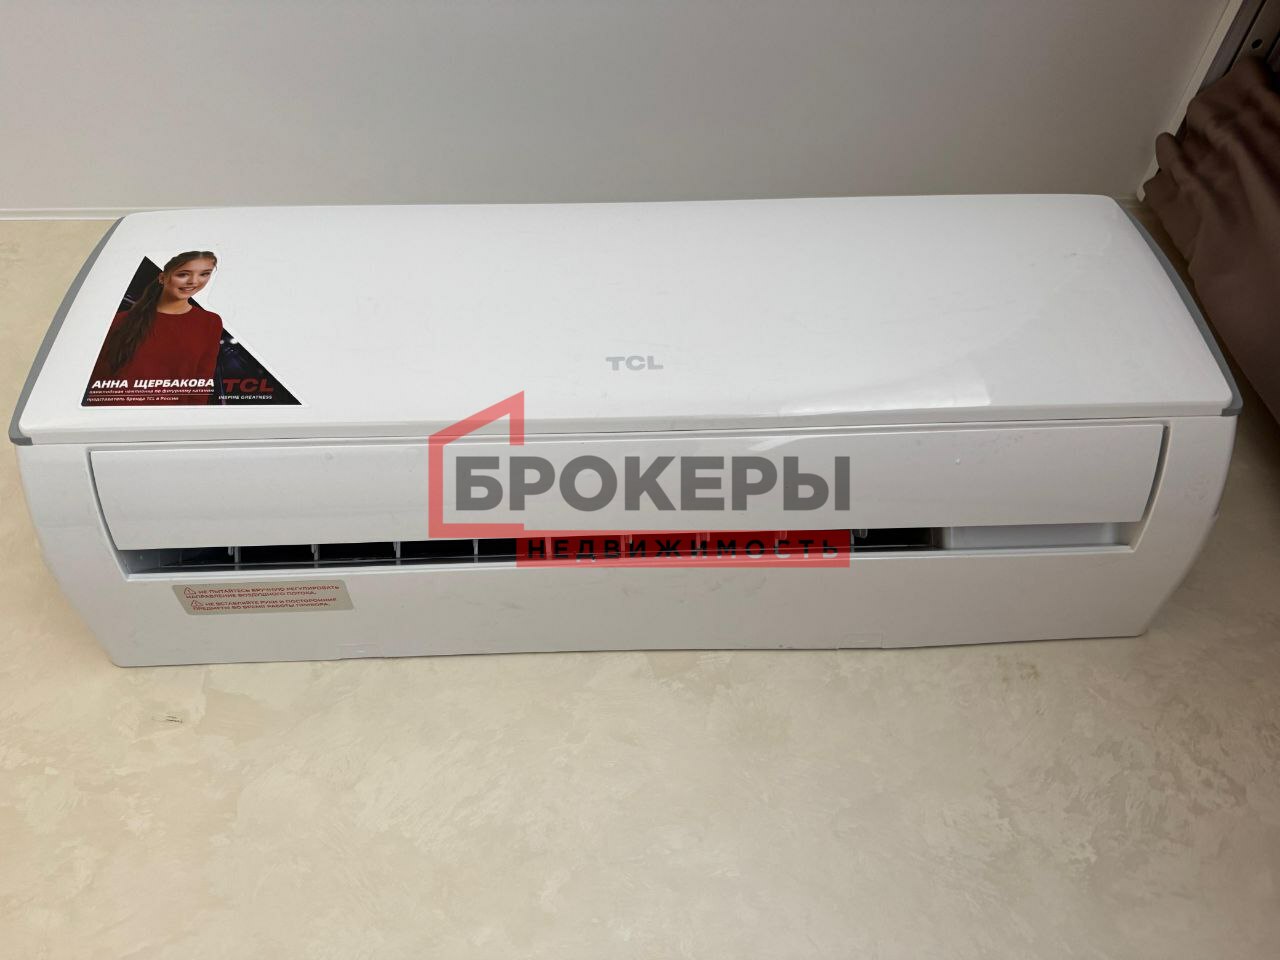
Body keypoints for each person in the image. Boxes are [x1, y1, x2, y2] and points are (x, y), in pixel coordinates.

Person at [86, 251, 223, 405]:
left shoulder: (210, 322)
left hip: (171, 416)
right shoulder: (120, 320)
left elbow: (202, 381)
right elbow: (99, 378)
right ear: (162, 278)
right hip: (117, 412)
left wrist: (190, 416)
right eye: (183, 274)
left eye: (204, 274)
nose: (193, 281)